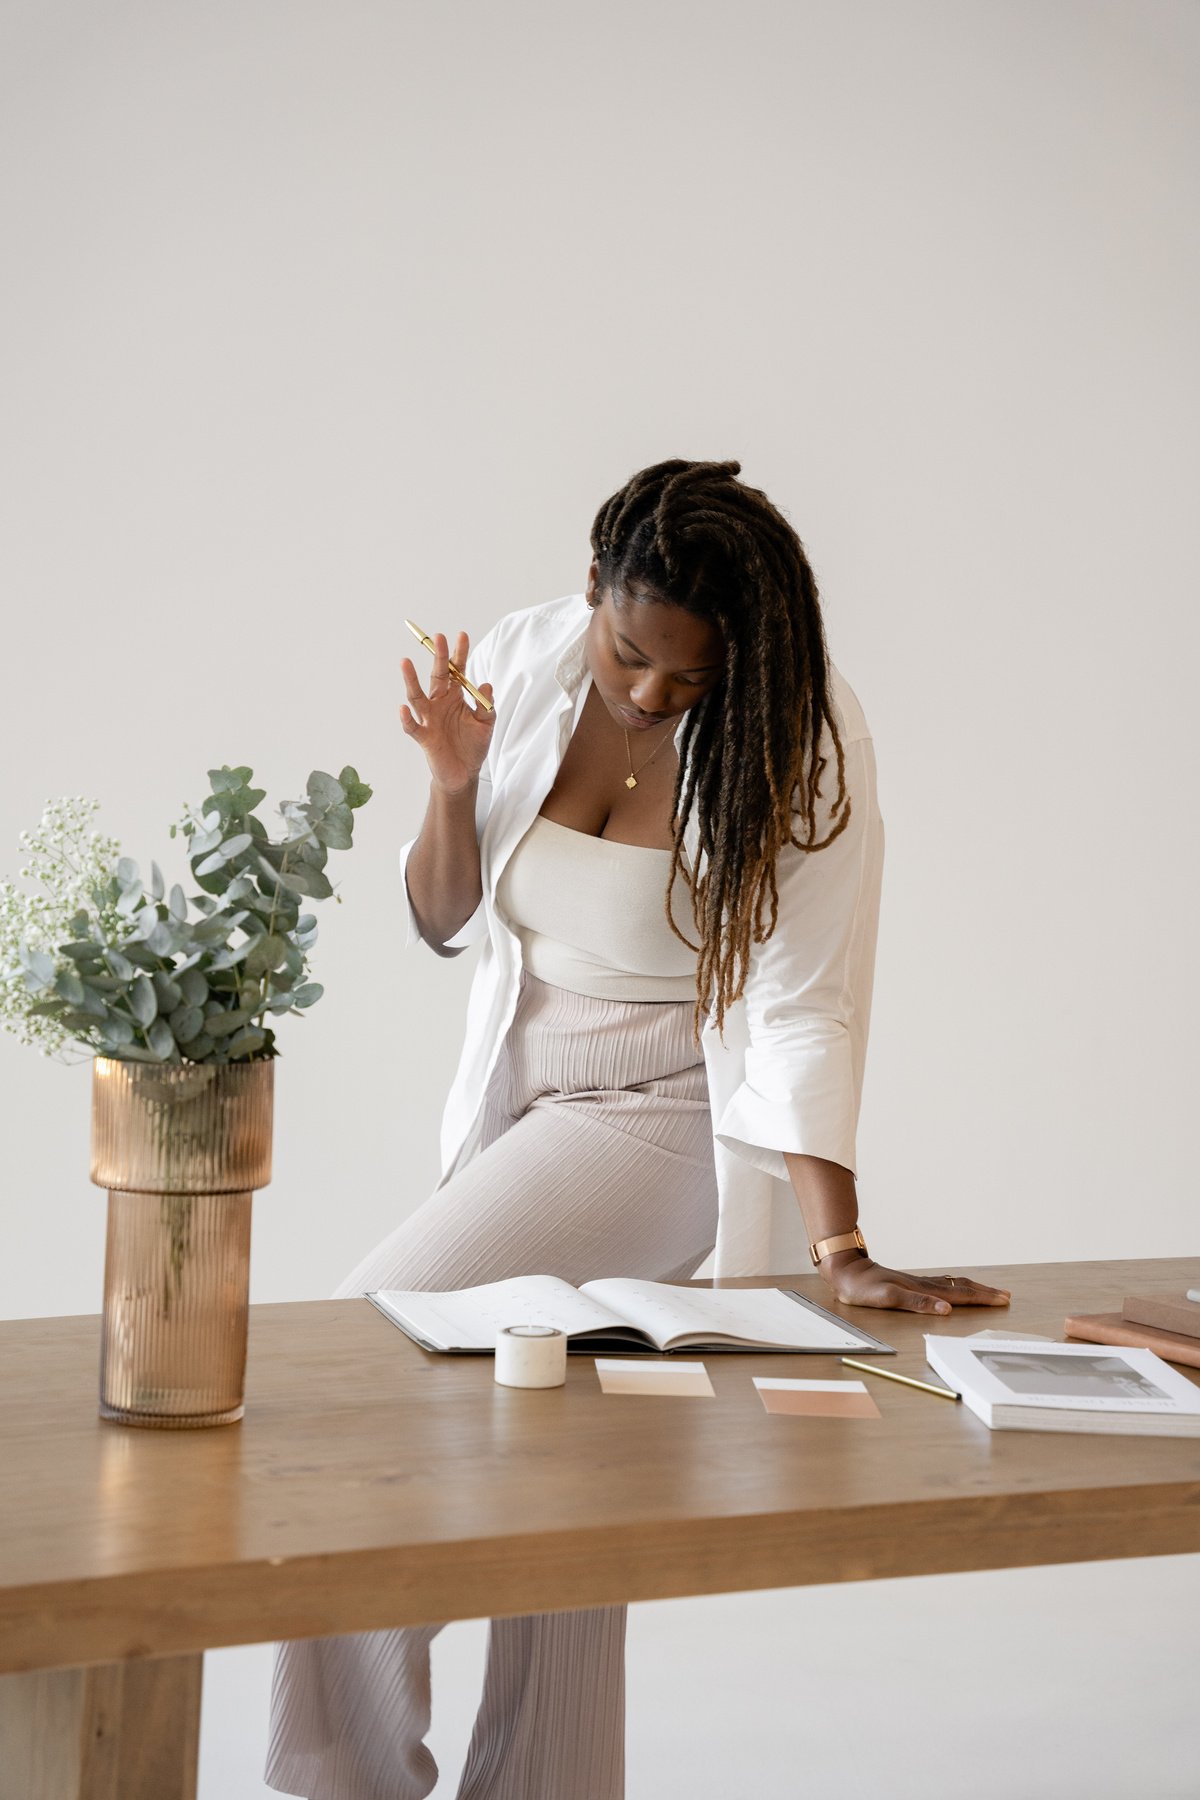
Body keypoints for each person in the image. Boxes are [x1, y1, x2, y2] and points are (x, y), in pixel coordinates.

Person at [265, 458, 1010, 1800]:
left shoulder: (804, 729)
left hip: (666, 1115)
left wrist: (841, 1244)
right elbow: (441, 922)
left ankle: (340, 1778)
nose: (654, 694)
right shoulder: (527, 657)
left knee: (361, 1357)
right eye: (632, 656)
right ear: (594, 584)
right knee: (557, 1449)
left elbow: (803, 1000)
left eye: (690, 676)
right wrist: (451, 780)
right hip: (521, 1097)